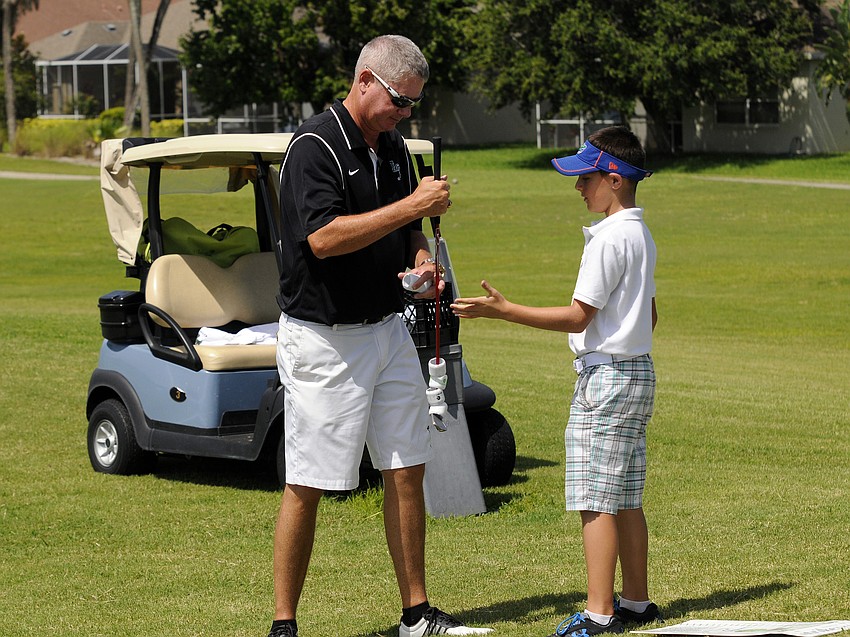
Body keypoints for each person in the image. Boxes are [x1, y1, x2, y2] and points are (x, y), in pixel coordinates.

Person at [269, 35, 493, 637]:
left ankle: (416, 614)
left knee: (406, 468)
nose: (405, 115)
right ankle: (284, 624)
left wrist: (423, 262)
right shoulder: (312, 147)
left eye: (413, 105)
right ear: (365, 80)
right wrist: (410, 206)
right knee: (308, 482)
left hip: (388, 328)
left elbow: (409, 230)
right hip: (323, 338)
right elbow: (323, 238)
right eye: (399, 100)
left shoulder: (392, 148)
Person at [451, 126, 662, 637]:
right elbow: (649, 315)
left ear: (613, 179)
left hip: (605, 378)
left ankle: (598, 613)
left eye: (585, 178)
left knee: (594, 498)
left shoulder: (609, 240)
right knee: (627, 496)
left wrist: (504, 311)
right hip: (637, 373)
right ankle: (636, 601)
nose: (578, 188)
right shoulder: (641, 233)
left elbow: (577, 317)